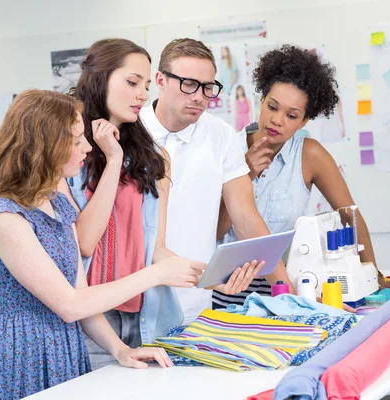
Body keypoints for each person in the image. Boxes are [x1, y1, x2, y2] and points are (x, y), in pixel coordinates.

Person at [0, 90, 201, 399]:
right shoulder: (1, 217)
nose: (85, 147)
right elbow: (69, 305)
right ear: (45, 145)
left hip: (63, 348)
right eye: (75, 139)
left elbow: (82, 298)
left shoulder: (57, 203)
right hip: (16, 355)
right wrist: (155, 274)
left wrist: (120, 350)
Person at [61, 39, 261, 368]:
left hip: (145, 315)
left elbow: (155, 247)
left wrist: (211, 276)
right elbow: (83, 243)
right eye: (131, 82)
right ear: (101, 80)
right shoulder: (70, 152)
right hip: (89, 318)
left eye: (142, 84)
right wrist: (113, 160)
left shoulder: (153, 157)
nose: (141, 94)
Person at [214, 45, 390, 308]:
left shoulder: (310, 155)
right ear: (261, 100)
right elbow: (215, 231)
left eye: (292, 115)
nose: (277, 121)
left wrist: (372, 275)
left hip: (286, 286)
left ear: (304, 121)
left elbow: (349, 215)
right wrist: (245, 174)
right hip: (225, 288)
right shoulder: (226, 149)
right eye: (272, 107)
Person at [140, 38, 294, 325]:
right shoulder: (132, 131)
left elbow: (246, 218)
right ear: (160, 80)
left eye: (208, 87)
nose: (199, 96)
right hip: (133, 302)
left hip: (197, 304)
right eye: (188, 84)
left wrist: (290, 296)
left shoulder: (220, 135)